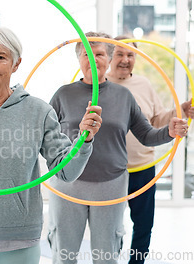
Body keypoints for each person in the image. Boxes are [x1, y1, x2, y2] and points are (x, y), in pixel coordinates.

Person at [0, 27, 102, 263]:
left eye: (0, 57)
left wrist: (85, 140)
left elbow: (65, 171)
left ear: (16, 63)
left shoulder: (39, 111)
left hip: (20, 235)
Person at [47, 32, 189, 264]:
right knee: (64, 255)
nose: (93, 59)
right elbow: (46, 137)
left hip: (111, 186)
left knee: (106, 257)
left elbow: (146, 135)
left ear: (108, 58)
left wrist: (169, 132)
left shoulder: (124, 96)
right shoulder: (63, 94)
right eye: (86, 54)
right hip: (68, 186)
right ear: (79, 60)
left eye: (100, 54)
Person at [106, 35, 194, 264]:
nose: (125, 59)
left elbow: (156, 120)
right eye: (120, 54)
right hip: (110, 171)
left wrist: (181, 110)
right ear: (108, 56)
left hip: (143, 167)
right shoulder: (98, 85)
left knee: (144, 224)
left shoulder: (143, 85)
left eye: (130, 54)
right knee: (110, 226)